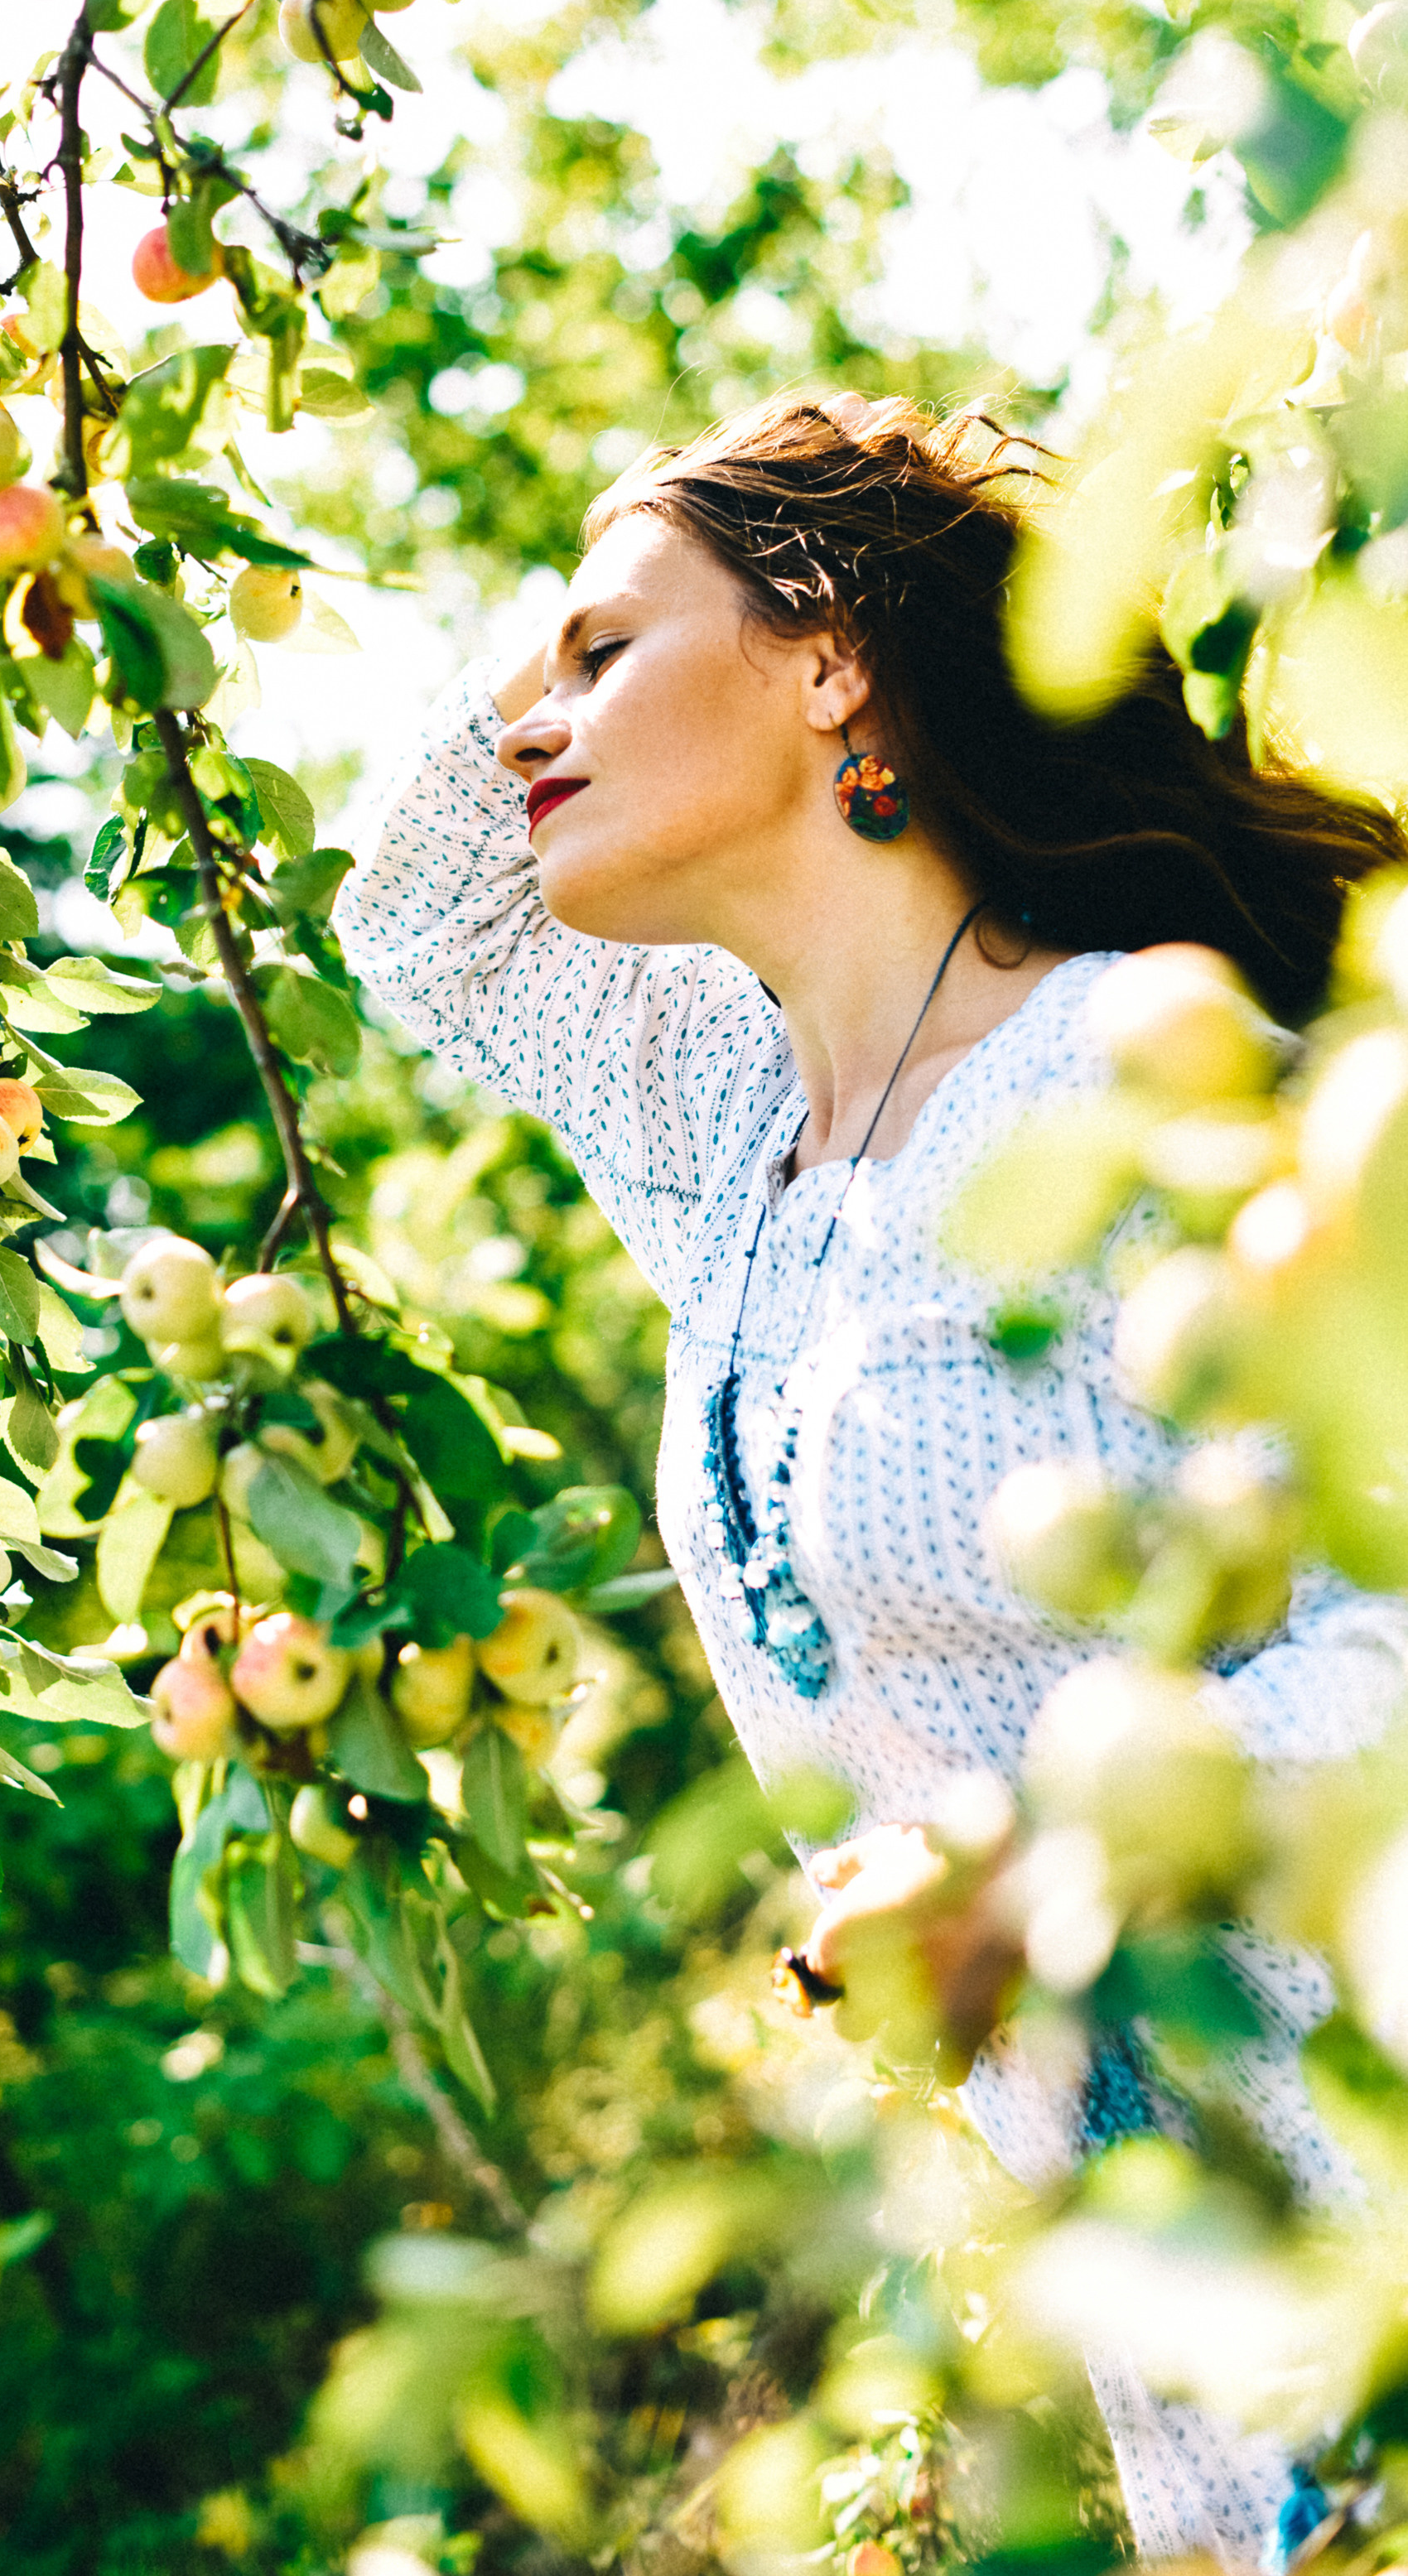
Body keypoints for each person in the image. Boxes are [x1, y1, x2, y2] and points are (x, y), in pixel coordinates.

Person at [340, 391, 1408, 2569]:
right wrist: (662, 548)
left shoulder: (1145, 1064)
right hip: (1168, 2314)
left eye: (598, 656)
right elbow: (416, 913)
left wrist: (1041, 1856)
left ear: (829, 659)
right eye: (537, 674)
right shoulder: (727, 1136)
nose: (532, 724)